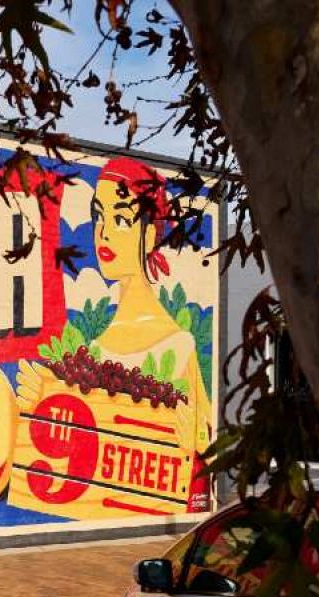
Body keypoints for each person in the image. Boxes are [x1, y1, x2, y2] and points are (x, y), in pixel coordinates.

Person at [88, 156, 211, 452]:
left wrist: (191, 443)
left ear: (151, 235)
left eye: (120, 220)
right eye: (98, 215)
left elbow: (205, 445)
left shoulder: (178, 345)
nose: (103, 233)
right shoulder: (94, 349)